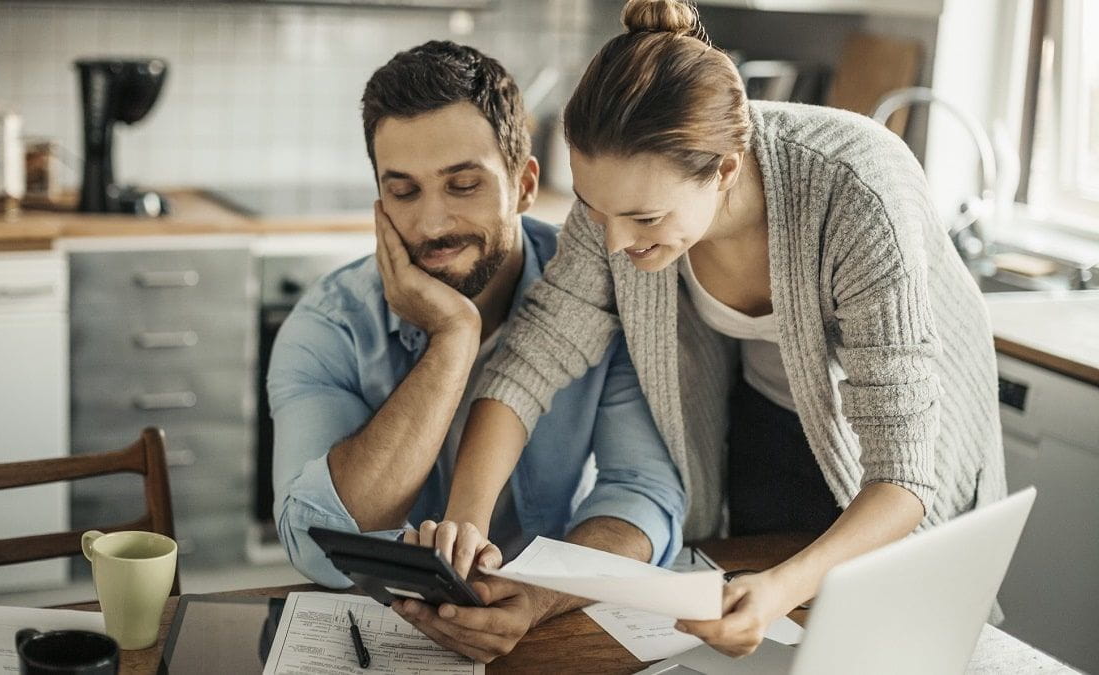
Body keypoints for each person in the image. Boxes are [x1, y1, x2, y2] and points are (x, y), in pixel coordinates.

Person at [431, 0, 1006, 658]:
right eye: (596, 209)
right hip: (766, 419)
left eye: (645, 219)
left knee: (890, 641)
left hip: (897, 456)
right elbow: (533, 358)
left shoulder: (857, 192)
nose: (616, 242)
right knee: (778, 647)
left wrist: (779, 586)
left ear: (726, 170)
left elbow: (903, 476)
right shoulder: (620, 204)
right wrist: (465, 523)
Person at [266, 40, 686, 663]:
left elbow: (642, 496)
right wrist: (453, 339)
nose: (433, 224)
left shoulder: (603, 297)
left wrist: (541, 593)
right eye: (403, 192)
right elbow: (316, 542)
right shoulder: (329, 326)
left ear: (523, 185)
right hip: (388, 640)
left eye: (463, 185)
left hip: (552, 623)